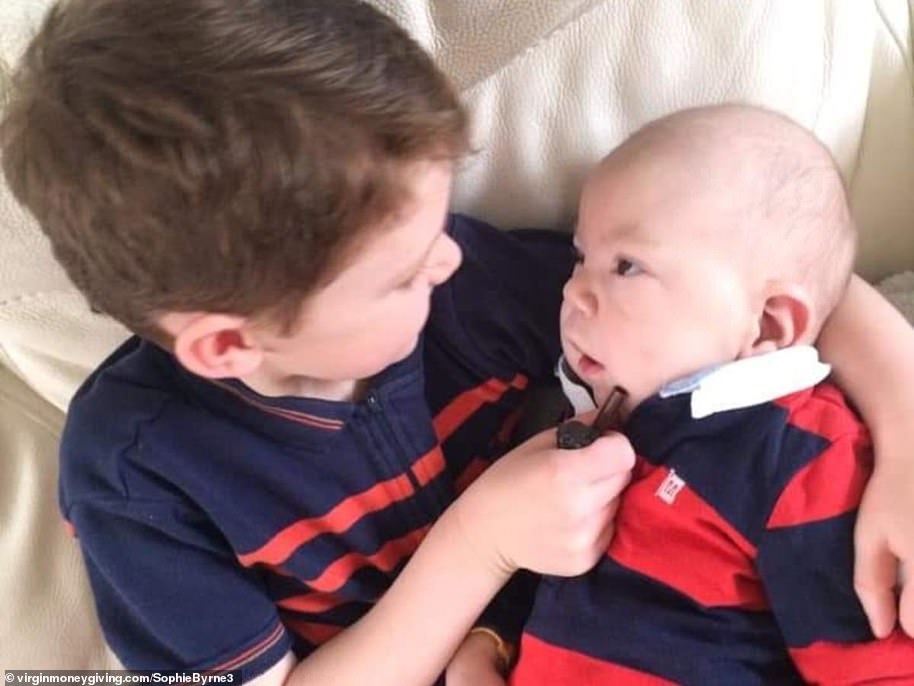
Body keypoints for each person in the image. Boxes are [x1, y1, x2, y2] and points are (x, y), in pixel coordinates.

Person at [1, 1, 912, 683]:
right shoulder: (137, 471)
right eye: (400, 272)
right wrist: (482, 546)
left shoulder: (468, 283)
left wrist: (909, 426)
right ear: (227, 345)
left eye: (439, 222)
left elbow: (768, 288)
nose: (445, 260)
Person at [506, 105, 914, 684]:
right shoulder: (598, 421)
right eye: (580, 258)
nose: (575, 291)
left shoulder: (797, 455)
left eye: (626, 266)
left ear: (769, 326)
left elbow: (874, 667)